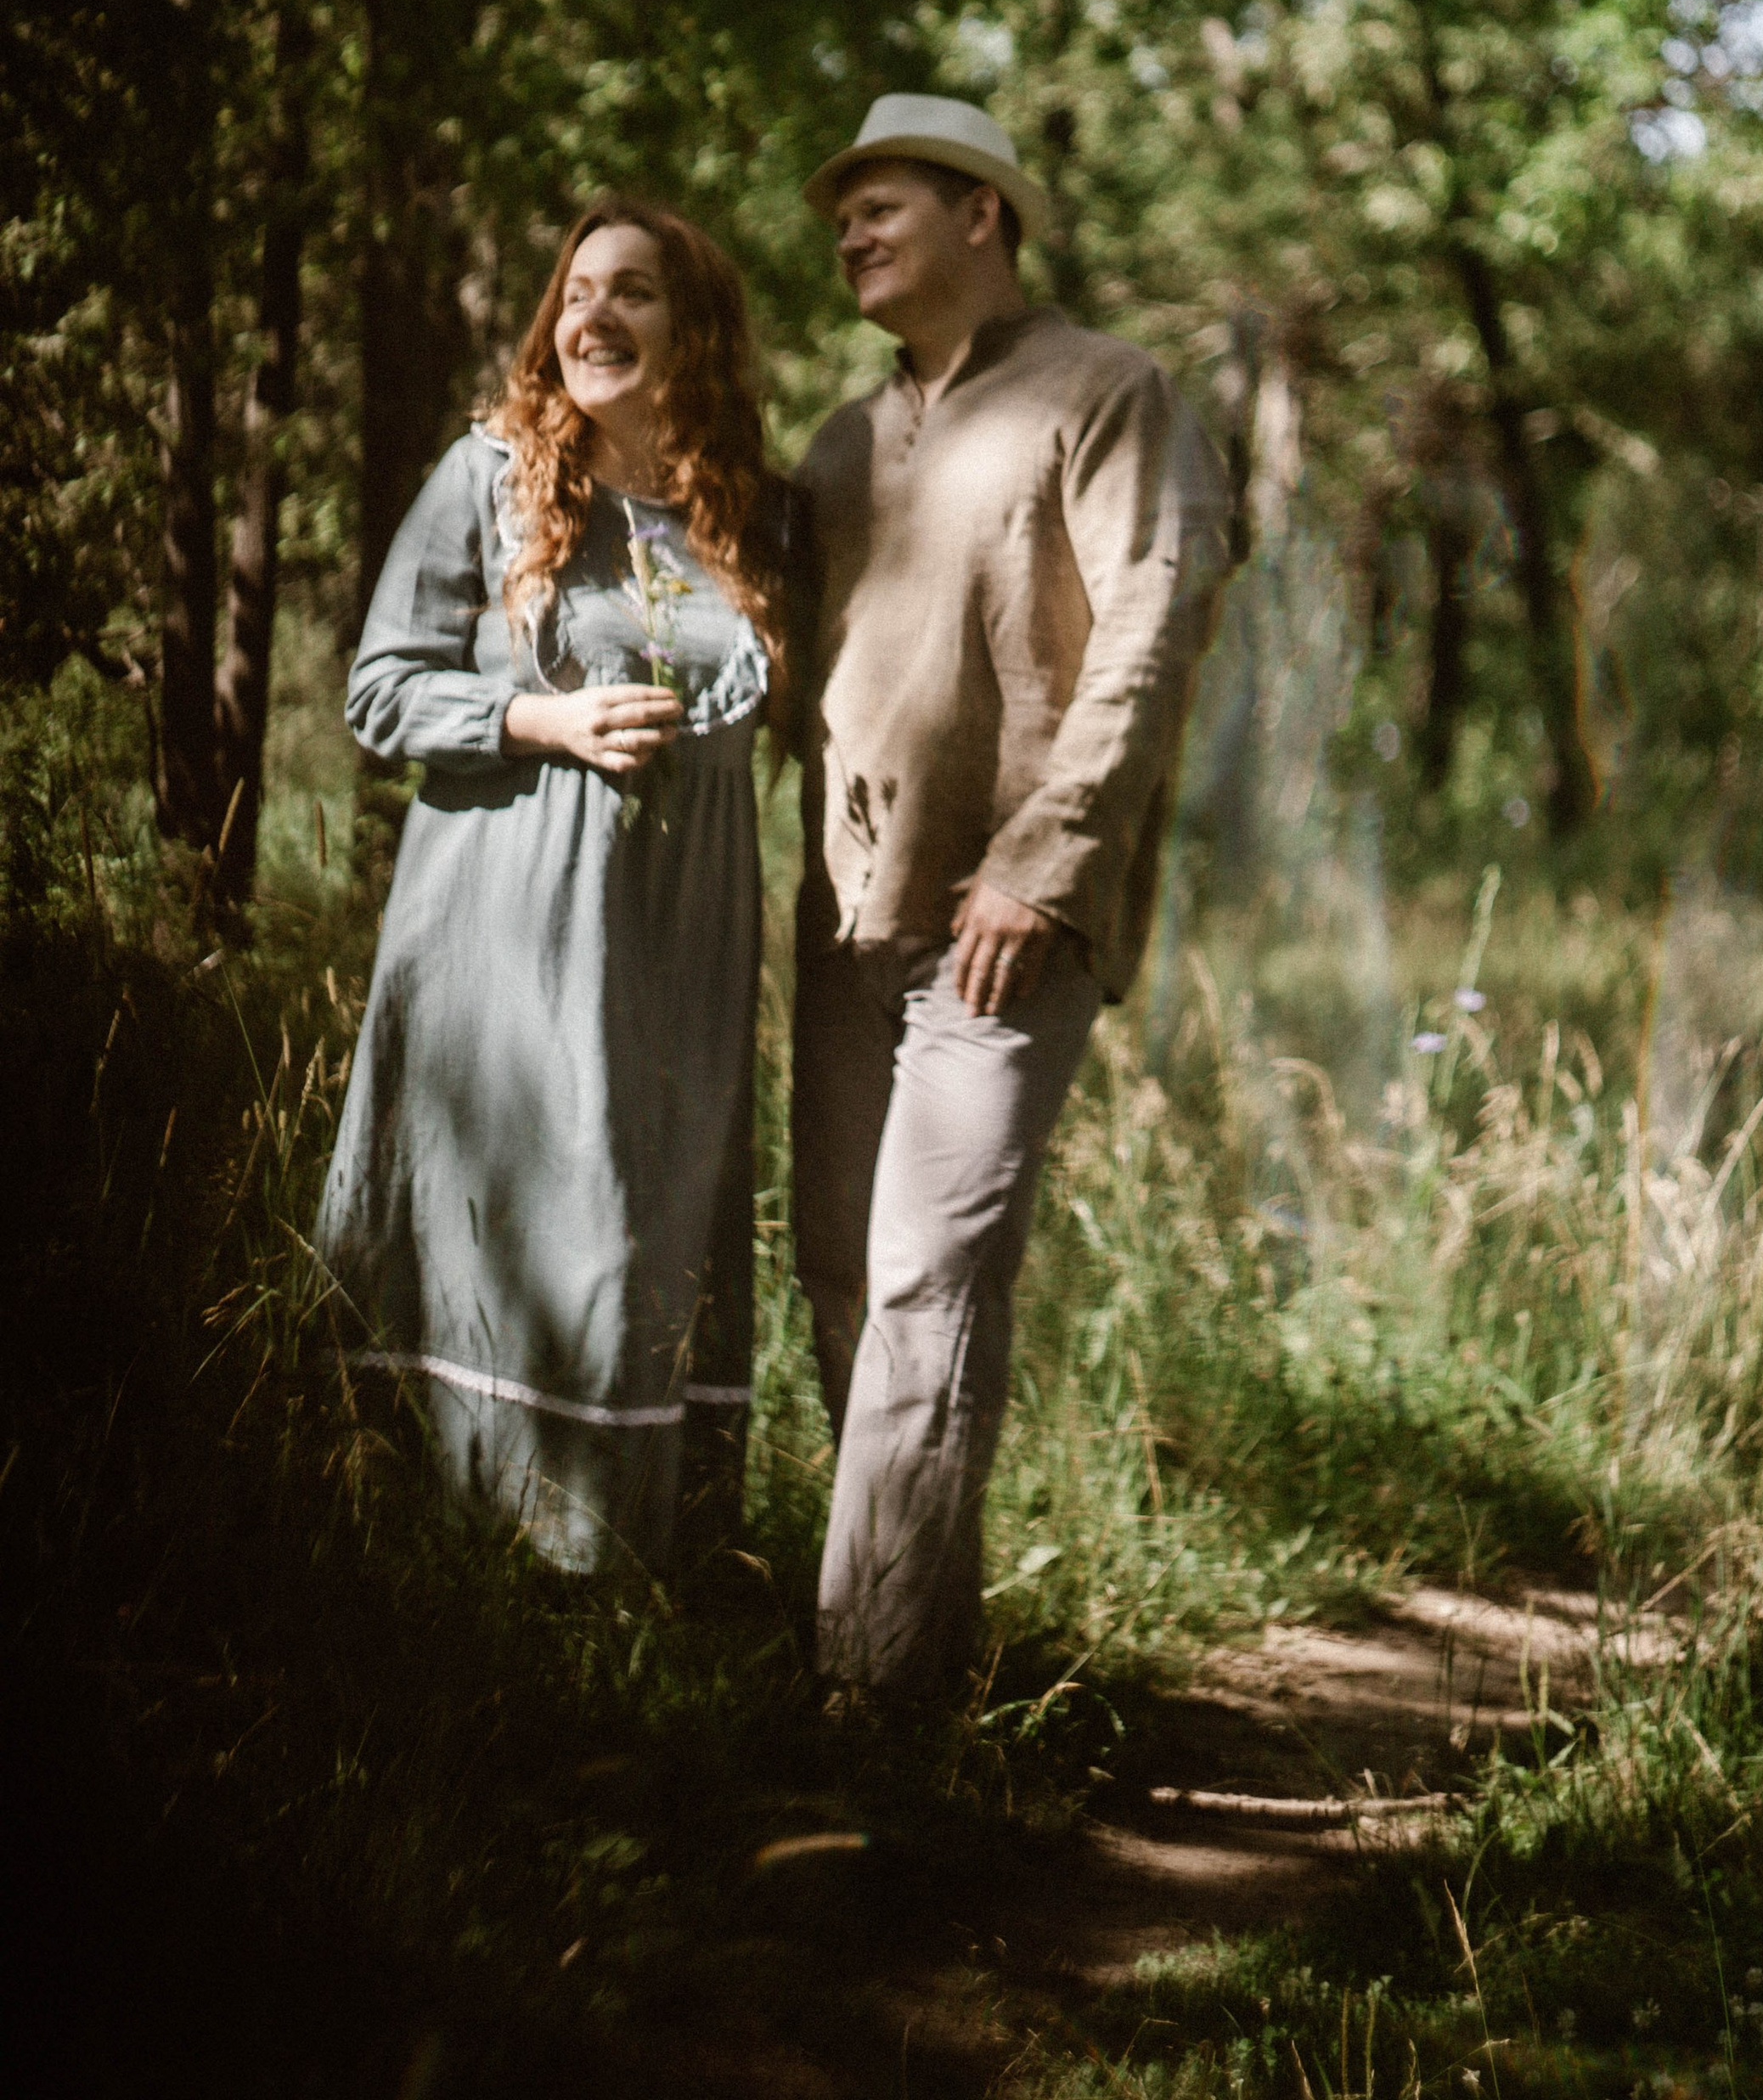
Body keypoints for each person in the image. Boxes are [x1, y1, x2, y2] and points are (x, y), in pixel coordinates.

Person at [791, 95, 1231, 1693]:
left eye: (882, 201)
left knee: (930, 1283)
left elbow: (1152, 628)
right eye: (839, 212)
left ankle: (862, 1711)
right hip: (848, 914)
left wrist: (1044, 870)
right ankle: (920, 1663)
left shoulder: (1109, 391)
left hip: (1007, 929)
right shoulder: (844, 439)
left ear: (986, 214)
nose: (849, 229)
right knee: (844, 1281)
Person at [317, 200, 787, 1573]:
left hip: (681, 947)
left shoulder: (751, 516)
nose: (593, 317)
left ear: (694, 328)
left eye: (634, 293)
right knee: (525, 1213)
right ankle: (450, 1567)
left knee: (645, 1230)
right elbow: (381, 687)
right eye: (577, 291)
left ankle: (638, 1577)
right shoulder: (493, 477)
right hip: (504, 931)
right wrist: (539, 721)